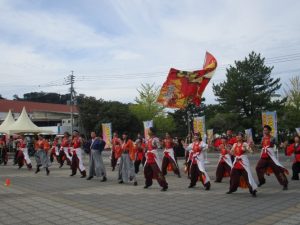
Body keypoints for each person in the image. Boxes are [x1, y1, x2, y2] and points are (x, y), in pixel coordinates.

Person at [255, 125, 288, 190]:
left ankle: (285, 184)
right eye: (264, 130)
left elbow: (278, 145)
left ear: (269, 131)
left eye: (266, 130)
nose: (265, 131)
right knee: (258, 168)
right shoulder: (262, 138)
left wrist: (282, 145)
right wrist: (253, 145)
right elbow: (260, 146)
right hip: (264, 156)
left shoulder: (272, 138)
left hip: (270, 156)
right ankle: (262, 181)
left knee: (278, 170)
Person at [227, 132, 257, 197]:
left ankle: (253, 190)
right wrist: (228, 150)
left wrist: (252, 146)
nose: (237, 136)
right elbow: (232, 153)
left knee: (247, 177)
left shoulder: (245, 144)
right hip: (237, 162)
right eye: (237, 135)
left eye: (239, 135)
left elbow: (252, 152)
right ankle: (232, 189)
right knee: (232, 175)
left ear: (242, 137)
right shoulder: (235, 144)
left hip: (243, 163)